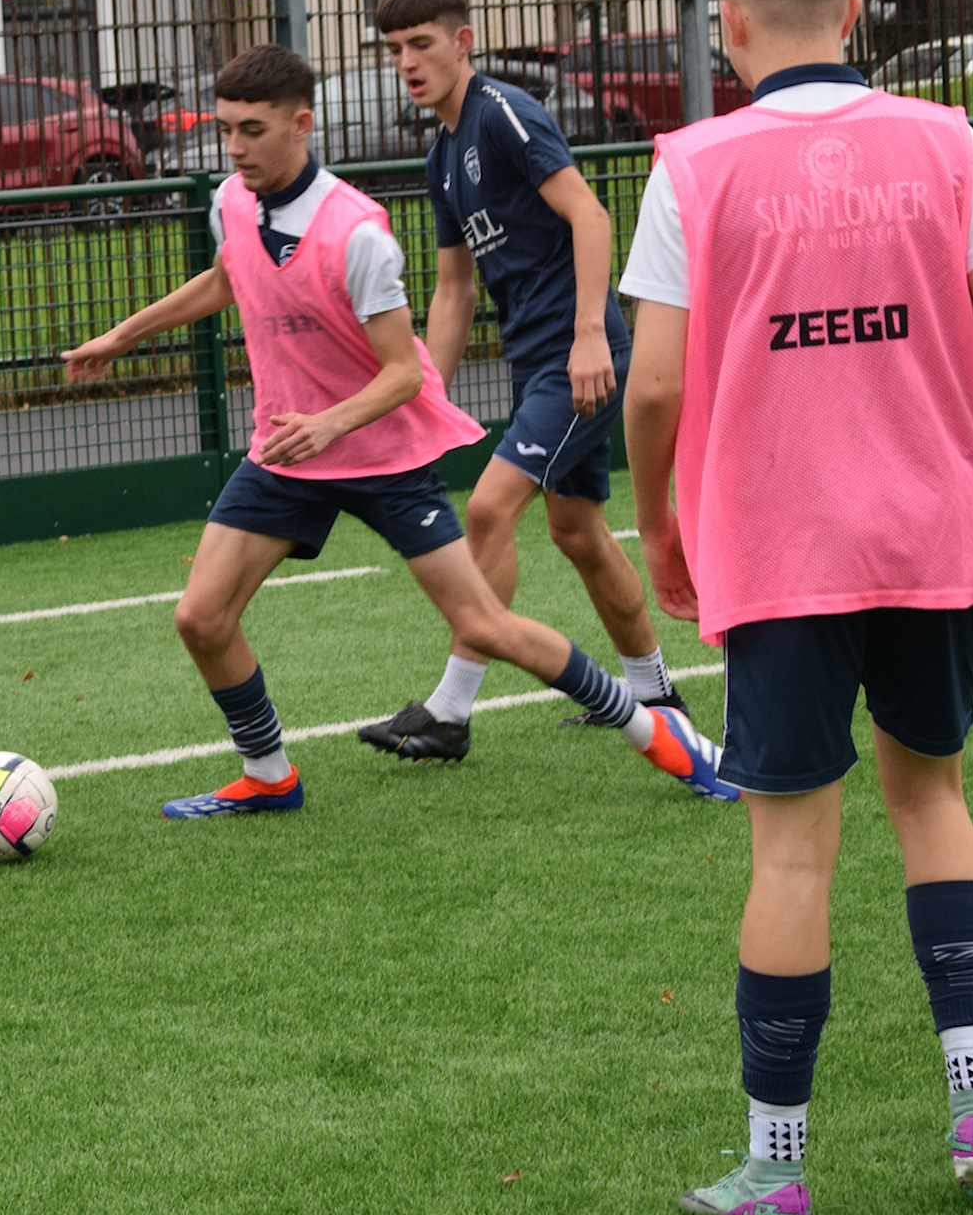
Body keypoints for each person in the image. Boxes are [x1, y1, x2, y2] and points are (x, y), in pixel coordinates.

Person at [620, 0, 973, 1215]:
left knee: (793, 850)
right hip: (931, 531)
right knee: (935, 798)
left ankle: (779, 1165)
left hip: (781, 541)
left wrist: (659, 523)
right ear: (856, 11)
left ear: (728, 23)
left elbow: (649, 391)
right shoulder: (947, 137)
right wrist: (954, 445)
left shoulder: (693, 164)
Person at [62, 43, 728, 821]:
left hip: (379, 453)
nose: (234, 148)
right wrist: (124, 335)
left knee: (484, 622)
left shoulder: (358, 234)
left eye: (251, 130)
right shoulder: (230, 201)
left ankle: (661, 734)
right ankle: (268, 773)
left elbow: (404, 374)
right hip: (288, 451)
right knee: (200, 616)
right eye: (226, 130)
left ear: (300, 123)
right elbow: (226, 275)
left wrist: (329, 424)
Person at [353, 0, 702, 777]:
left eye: (422, 44)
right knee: (576, 532)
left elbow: (591, 213)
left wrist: (589, 334)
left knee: (487, 508)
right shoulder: (441, 154)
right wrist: (424, 396)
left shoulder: (502, 111)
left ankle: (449, 711)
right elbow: (453, 289)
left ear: (462, 41)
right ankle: (657, 696)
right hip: (537, 365)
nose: (408, 62)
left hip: (579, 361)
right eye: (395, 50)